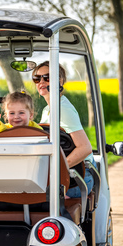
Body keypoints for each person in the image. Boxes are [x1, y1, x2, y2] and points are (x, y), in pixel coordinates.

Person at [32, 61, 96, 198]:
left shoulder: (64, 109)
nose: (41, 82)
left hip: (78, 177)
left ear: (60, 81)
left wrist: (57, 171)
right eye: (37, 79)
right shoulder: (47, 110)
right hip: (60, 176)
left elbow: (85, 148)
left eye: (47, 77)